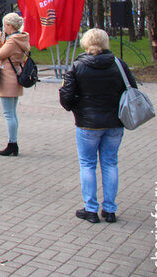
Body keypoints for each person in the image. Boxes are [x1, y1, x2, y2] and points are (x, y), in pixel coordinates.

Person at [59, 28, 134, 224]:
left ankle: (91, 208)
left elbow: (66, 98)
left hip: (88, 123)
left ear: (86, 43)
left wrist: (77, 108)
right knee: (110, 163)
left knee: (87, 164)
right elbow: (131, 89)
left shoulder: (78, 66)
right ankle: (109, 209)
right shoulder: (119, 64)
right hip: (114, 122)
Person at [0, 12, 31, 157]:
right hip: (16, 76)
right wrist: (1, 40)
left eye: (5, 25)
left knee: (8, 114)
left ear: (10, 26)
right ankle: (13, 142)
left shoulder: (13, 41)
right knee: (12, 113)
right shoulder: (21, 38)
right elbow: (7, 52)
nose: (4, 27)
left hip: (8, 78)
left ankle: (12, 143)